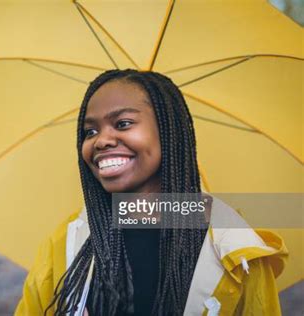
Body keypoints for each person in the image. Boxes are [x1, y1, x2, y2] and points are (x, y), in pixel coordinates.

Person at [15, 70, 287, 315]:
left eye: (122, 123)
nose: (101, 140)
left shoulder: (235, 249)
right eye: (90, 131)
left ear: (168, 131)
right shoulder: (66, 243)